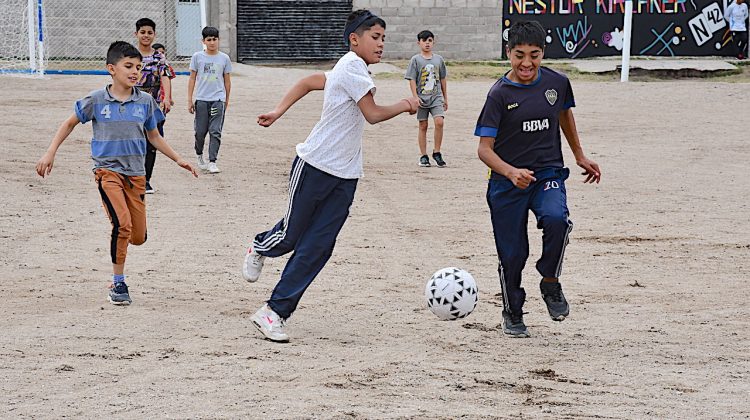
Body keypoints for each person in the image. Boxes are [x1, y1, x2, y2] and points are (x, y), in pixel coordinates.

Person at [241, 9, 419, 343]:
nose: (381, 44)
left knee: (319, 246)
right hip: (314, 166)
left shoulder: (349, 67)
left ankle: (273, 312)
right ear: (355, 39)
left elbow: (310, 82)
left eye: (383, 38)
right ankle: (259, 245)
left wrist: (279, 111)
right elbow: (374, 115)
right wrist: (406, 105)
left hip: (346, 176)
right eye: (375, 37)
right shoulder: (352, 67)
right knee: (292, 236)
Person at [35, 41, 197, 305]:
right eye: (128, 66)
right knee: (122, 226)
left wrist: (179, 159)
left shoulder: (145, 101)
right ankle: (118, 283)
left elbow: (154, 136)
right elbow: (69, 123)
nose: (135, 72)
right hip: (107, 171)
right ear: (111, 69)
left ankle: (123, 230)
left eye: (138, 67)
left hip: (136, 175)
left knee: (138, 236)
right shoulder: (96, 100)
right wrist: (50, 152)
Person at [474, 21, 601, 338]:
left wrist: (580, 155)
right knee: (512, 255)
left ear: (543, 53)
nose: (527, 63)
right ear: (508, 53)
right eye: (519, 55)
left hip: (547, 173)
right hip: (507, 184)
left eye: (534, 55)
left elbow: (564, 114)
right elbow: (483, 150)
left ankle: (550, 281)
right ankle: (513, 311)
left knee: (557, 219)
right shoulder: (499, 95)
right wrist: (510, 171)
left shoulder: (558, 83)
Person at [134, 17, 174, 193]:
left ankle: (146, 180)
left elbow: (165, 77)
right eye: (142, 32)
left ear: (154, 34)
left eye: (149, 32)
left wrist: (167, 98)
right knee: (134, 142)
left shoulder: (159, 57)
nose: (146, 35)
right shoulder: (130, 55)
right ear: (136, 34)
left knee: (152, 143)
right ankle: (134, 178)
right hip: (132, 104)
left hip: (154, 105)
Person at [187, 26, 232, 174]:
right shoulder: (197, 57)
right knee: (200, 132)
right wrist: (190, 100)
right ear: (203, 41)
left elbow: (227, 81)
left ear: (219, 40)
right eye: (209, 39)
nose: (212, 42)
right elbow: (192, 78)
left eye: (215, 39)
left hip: (217, 99)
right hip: (201, 100)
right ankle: (199, 155)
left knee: (215, 131)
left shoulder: (224, 58)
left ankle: (213, 161)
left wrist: (226, 100)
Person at [405, 30, 448, 168]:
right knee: (423, 125)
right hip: (422, 99)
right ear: (419, 43)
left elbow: (442, 79)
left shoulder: (439, 60)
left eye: (429, 40)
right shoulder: (415, 60)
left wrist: (445, 98)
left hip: (436, 97)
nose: (427, 43)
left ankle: (437, 152)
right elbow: (411, 79)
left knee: (439, 122)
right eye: (424, 41)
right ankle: (423, 155)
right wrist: (415, 97)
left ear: (433, 42)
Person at [151, 43, 176, 108]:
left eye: (163, 52)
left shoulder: (166, 66)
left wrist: (168, 97)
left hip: (160, 96)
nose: (161, 54)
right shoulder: (148, 65)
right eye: (159, 52)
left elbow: (168, 82)